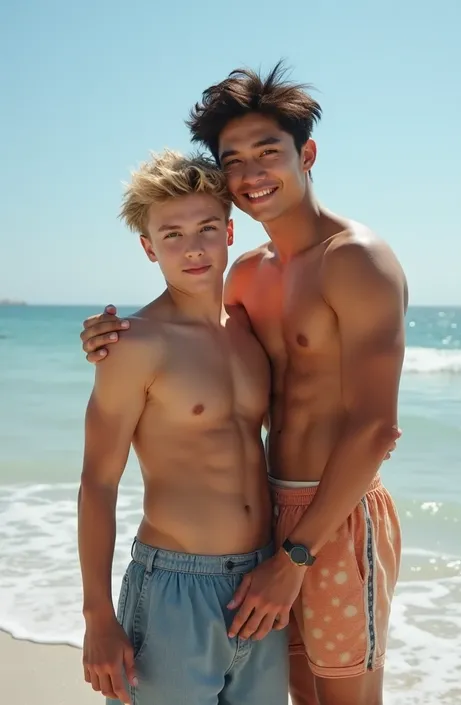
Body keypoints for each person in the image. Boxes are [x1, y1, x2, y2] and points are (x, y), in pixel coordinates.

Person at [80, 63, 407, 705]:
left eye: (269, 152)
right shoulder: (245, 279)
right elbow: (187, 357)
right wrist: (105, 338)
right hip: (249, 544)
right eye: (235, 160)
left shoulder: (356, 260)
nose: (253, 174)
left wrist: (295, 559)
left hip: (328, 520)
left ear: (306, 153)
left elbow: (377, 427)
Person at [77, 149, 289, 705]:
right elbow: (98, 481)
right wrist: (97, 613)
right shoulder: (134, 344)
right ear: (149, 248)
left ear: (229, 232)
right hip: (175, 587)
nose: (192, 247)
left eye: (206, 228)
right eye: (171, 235)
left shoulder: (251, 331)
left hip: (260, 583)